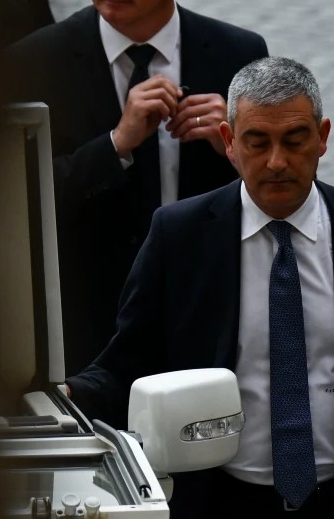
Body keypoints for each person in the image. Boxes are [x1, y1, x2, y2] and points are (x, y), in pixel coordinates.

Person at [6, 0, 267, 374]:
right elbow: (16, 205)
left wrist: (238, 148)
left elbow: (279, 190)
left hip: (205, 321)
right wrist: (116, 144)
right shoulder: (35, 63)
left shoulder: (238, 54)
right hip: (85, 331)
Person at [69, 57, 334, 518]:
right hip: (218, 498)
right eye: (257, 143)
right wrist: (64, 396)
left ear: (322, 137)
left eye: (294, 141)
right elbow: (128, 361)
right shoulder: (179, 234)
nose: (277, 162)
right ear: (229, 142)